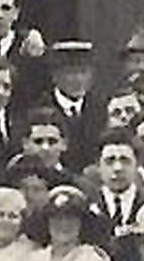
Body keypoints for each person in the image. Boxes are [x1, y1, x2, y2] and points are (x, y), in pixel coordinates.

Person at [26, 39, 105, 168]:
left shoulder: (100, 109)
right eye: (71, 73)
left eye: (83, 72)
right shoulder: (39, 108)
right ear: (55, 76)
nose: (78, 79)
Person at [87, 132, 144, 240]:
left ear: (137, 165)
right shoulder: (88, 206)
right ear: (98, 166)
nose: (118, 168)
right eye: (110, 161)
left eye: (125, 160)